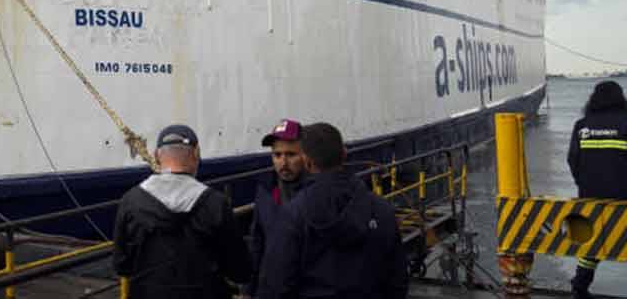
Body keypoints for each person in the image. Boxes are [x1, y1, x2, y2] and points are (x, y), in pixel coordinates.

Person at [259, 122, 408, 299]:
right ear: (344, 155)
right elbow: (397, 281)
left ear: (306, 161)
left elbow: (277, 285)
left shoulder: (292, 215)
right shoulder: (383, 210)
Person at [112, 124, 252, 298]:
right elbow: (239, 271)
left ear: (156, 156)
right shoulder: (216, 204)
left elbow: (121, 265)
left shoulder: (130, 202)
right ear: (196, 154)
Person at [567, 80, 627, 299]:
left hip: (593, 199)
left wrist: (586, 186)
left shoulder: (582, 126)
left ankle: (580, 286)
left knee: (594, 241)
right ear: (621, 99)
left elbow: (573, 161)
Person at [245, 119, 306, 298]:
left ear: (305, 154)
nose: (283, 162)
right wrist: (249, 289)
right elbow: (257, 242)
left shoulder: (316, 194)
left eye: (291, 154)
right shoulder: (265, 191)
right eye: (277, 155)